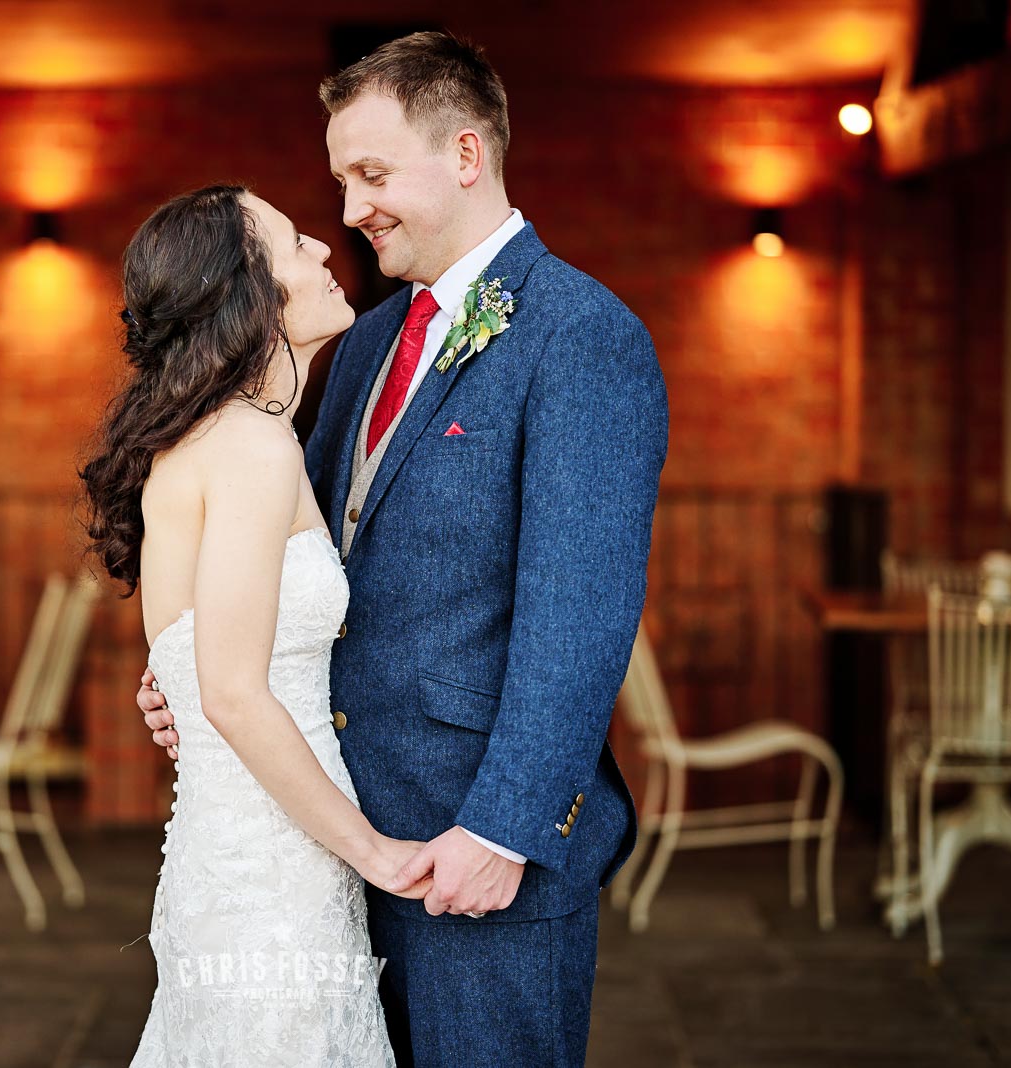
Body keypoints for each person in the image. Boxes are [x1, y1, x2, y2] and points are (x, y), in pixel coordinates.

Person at [136, 32, 669, 1067]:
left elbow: (581, 613)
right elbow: (307, 560)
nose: (349, 211)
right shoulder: (367, 342)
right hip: (333, 843)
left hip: (477, 860)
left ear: (465, 155)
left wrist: (503, 829)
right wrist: (196, 676)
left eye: (372, 175)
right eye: (340, 180)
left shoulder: (583, 335)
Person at [81, 184, 415, 1065]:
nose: (325, 248)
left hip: (235, 847)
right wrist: (373, 853)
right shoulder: (251, 446)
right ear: (249, 297)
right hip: (274, 871)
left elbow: (187, 667)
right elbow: (229, 690)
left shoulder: (221, 437)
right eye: (297, 243)